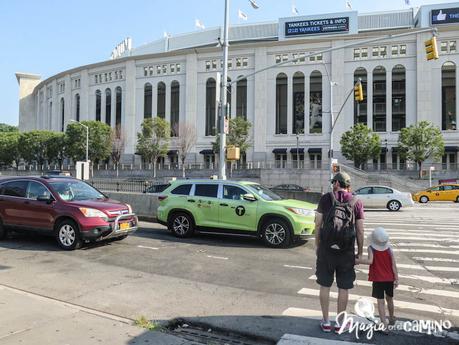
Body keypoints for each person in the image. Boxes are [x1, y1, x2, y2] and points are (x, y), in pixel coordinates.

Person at [314, 172, 365, 334]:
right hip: (346, 251)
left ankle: (326, 321)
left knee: (325, 285)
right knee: (343, 288)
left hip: (326, 250)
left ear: (337, 183)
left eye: (333, 182)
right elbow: (360, 230)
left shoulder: (325, 199)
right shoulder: (356, 201)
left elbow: (317, 224)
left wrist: (317, 245)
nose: (332, 185)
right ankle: (340, 323)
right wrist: (359, 252)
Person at [356, 227, 399, 331]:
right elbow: (393, 264)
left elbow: (370, 261)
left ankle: (384, 324)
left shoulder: (371, 248)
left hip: (378, 279)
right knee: (390, 299)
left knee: (380, 302)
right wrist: (396, 278)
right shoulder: (389, 248)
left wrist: (357, 261)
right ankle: (392, 317)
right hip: (389, 278)